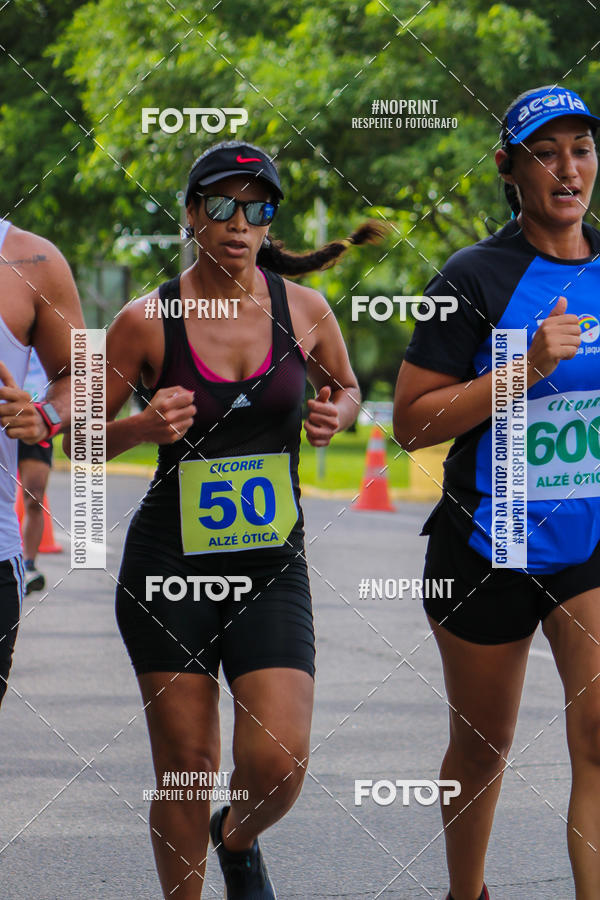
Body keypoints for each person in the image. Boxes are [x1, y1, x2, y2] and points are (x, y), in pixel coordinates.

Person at [99, 141, 381, 899]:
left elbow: (348, 388)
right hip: (169, 568)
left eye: (257, 208)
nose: (238, 222)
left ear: (268, 224)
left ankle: (239, 835)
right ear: (192, 215)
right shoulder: (145, 320)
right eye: (220, 204)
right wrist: (142, 428)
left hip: (268, 566)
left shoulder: (306, 310)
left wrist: (337, 415)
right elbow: (84, 435)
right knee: (187, 765)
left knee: (280, 761)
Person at [394, 86, 600, 900]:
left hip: (587, 539)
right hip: (486, 542)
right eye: (546, 152)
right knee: (484, 745)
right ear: (508, 168)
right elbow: (411, 423)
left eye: (581, 149)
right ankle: (465, 893)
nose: (568, 168)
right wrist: (525, 372)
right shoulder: (471, 276)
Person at [0, 219, 84, 706]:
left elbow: (82, 374)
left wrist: (46, 413)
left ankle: (30, 561)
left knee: (34, 494)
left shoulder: (33, 261)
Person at [18, 347, 54, 594]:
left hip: (38, 418)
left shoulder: (48, 329)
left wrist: (53, 417)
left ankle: (29, 565)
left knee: (34, 497)